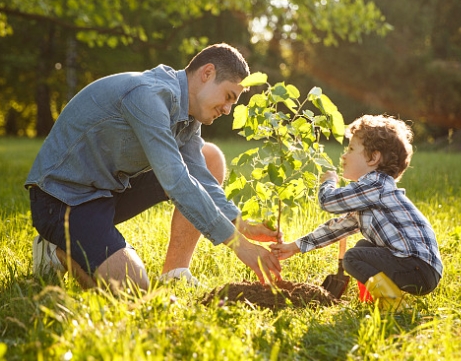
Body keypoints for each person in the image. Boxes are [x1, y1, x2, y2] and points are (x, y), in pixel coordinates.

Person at [25, 43, 282, 292]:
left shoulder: (189, 116)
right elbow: (177, 181)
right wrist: (239, 245)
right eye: (228, 97)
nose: (227, 109)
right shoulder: (149, 96)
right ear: (207, 73)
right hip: (62, 200)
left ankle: (175, 273)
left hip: (107, 190)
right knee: (133, 289)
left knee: (209, 157)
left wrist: (240, 224)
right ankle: (55, 252)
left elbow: (200, 175)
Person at [271, 115, 442, 310]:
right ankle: (374, 301)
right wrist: (294, 247)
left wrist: (329, 182)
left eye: (351, 149)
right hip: (421, 268)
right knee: (363, 246)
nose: (344, 156)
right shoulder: (371, 194)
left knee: (353, 258)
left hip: (416, 266)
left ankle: (394, 305)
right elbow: (337, 228)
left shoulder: (375, 184)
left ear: (373, 158)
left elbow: (329, 202)